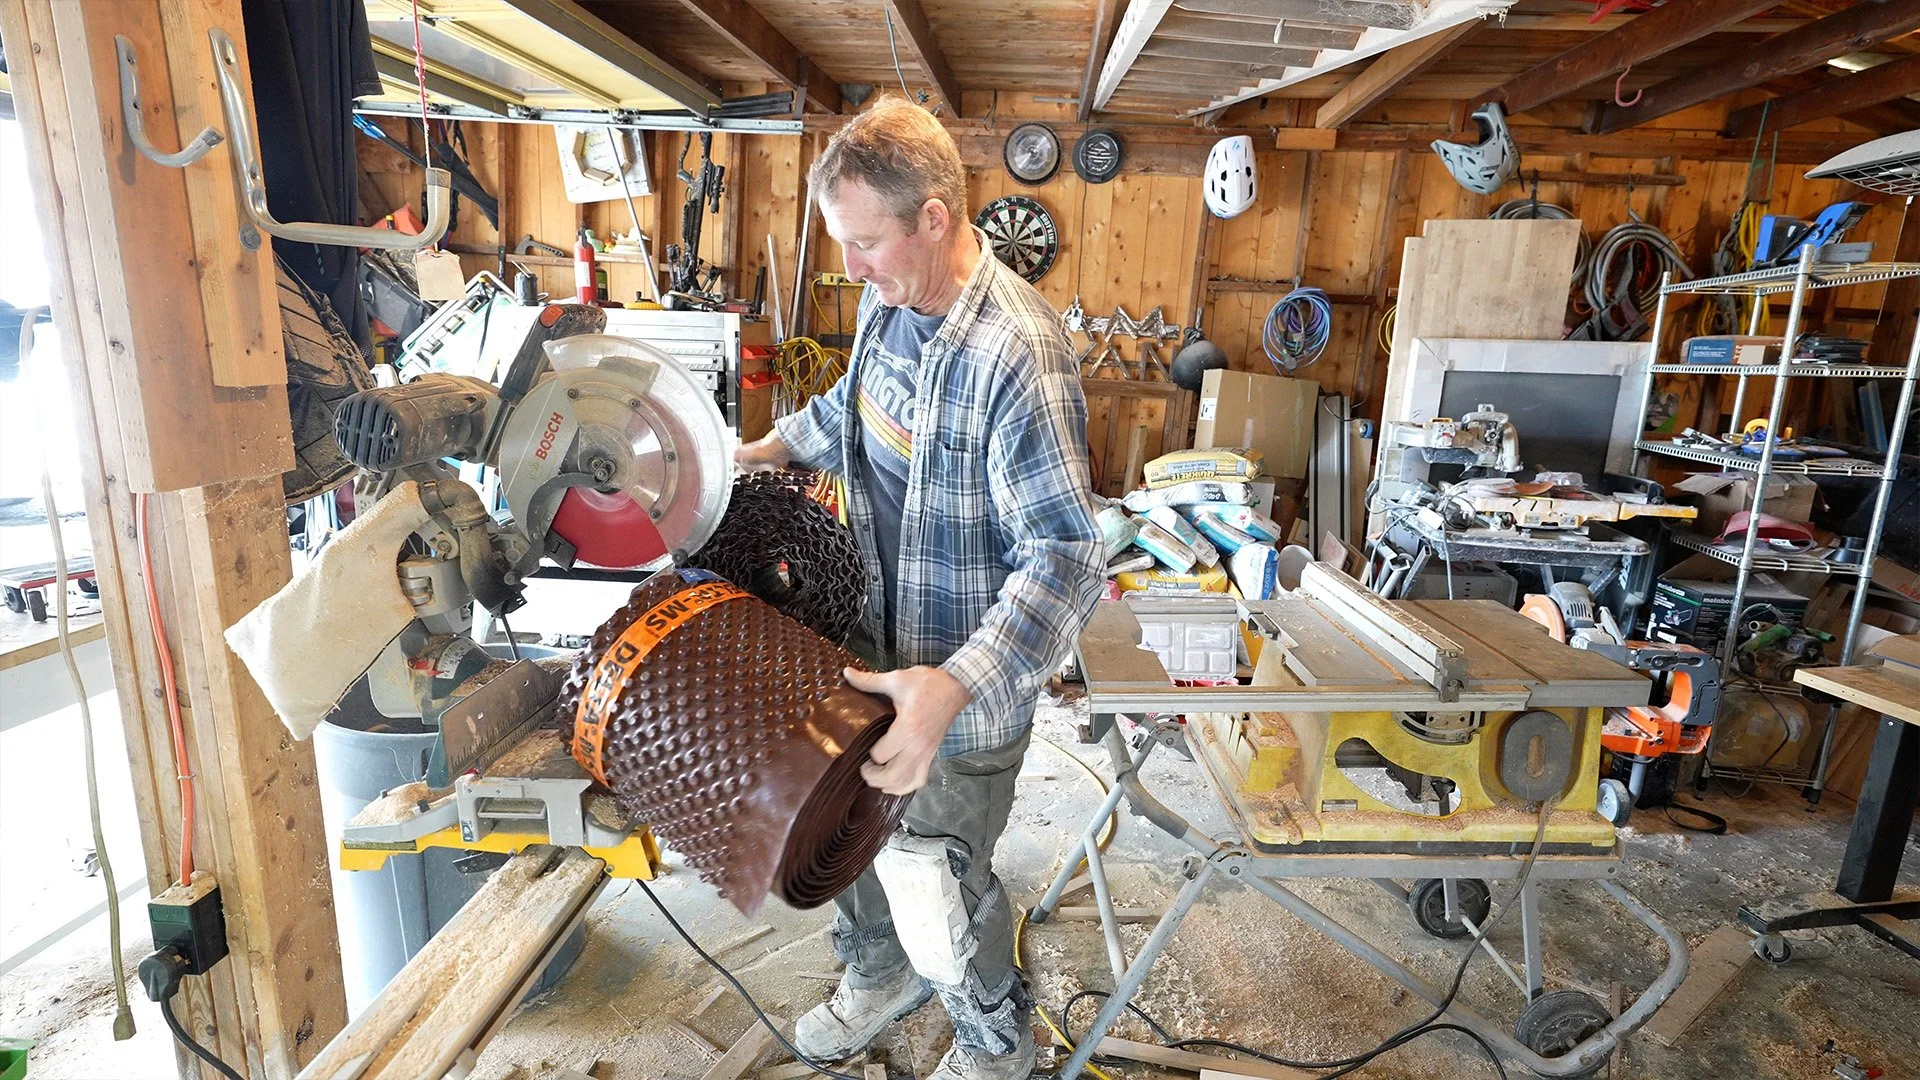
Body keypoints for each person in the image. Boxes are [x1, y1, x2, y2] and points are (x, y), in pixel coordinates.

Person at [735, 98, 1104, 1079]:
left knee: (941, 877)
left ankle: (994, 1039)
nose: (850, 268)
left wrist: (958, 681)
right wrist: (771, 448)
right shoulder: (887, 297)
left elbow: (1067, 556)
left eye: (864, 243)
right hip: (863, 647)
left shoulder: (1017, 357)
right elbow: (854, 403)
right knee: (845, 828)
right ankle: (879, 974)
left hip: (960, 693)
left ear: (934, 218)